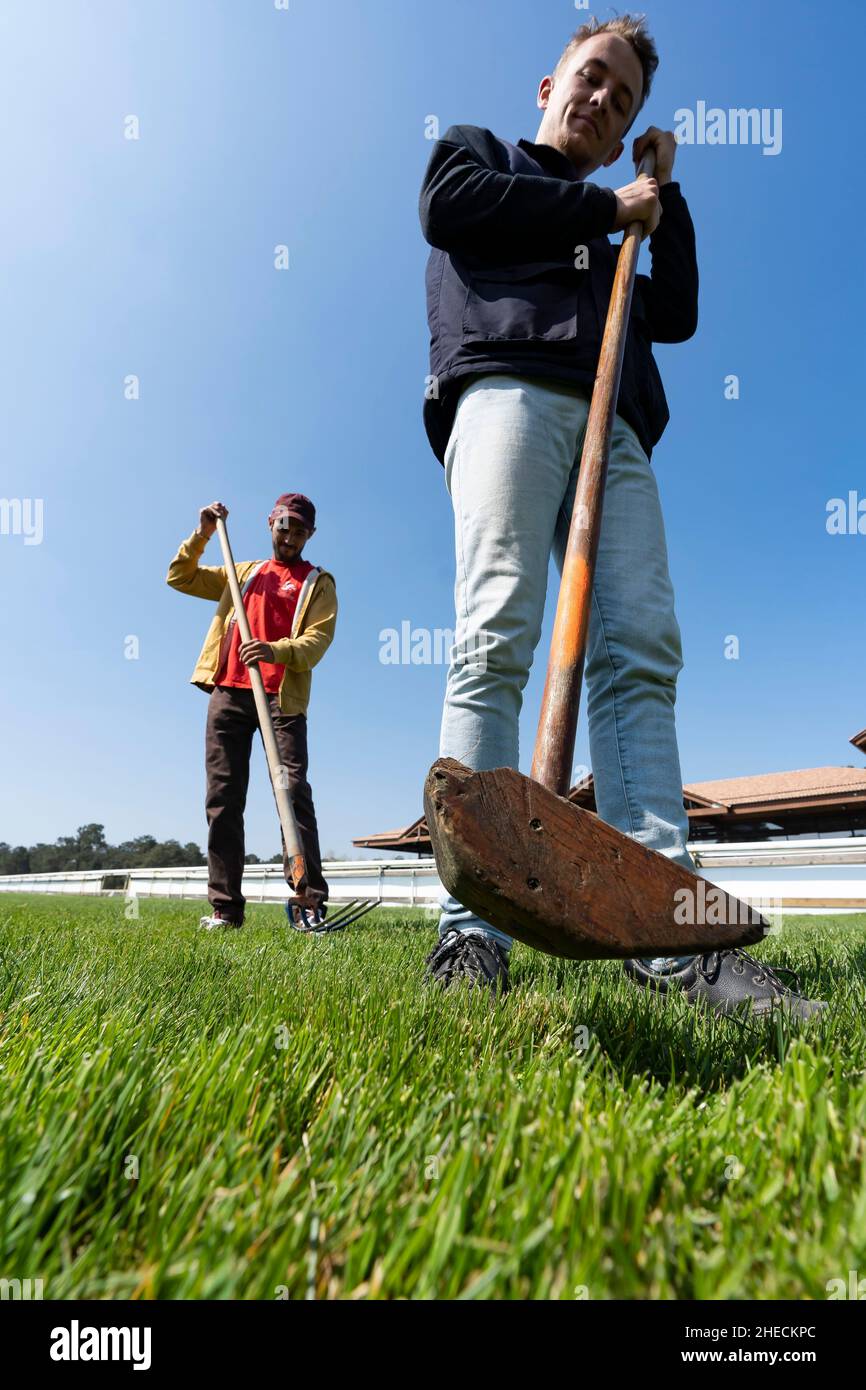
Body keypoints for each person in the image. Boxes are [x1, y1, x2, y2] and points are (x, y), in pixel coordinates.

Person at [418, 14, 825, 1018]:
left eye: (624, 100)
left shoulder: (626, 225)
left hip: (619, 431)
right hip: (506, 387)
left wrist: (663, 193)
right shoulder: (480, 156)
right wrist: (605, 204)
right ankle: (471, 934)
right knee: (496, 628)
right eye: (591, 79)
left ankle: (666, 932)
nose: (602, 101)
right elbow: (450, 209)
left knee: (638, 645)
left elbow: (676, 310)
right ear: (547, 84)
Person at [166, 493, 337, 930]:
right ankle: (225, 908)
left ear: (310, 535)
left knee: (292, 791)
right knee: (223, 799)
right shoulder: (243, 573)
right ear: (270, 524)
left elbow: (316, 642)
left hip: (282, 701)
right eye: (284, 526)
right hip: (229, 693)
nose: (290, 537)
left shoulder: (318, 582)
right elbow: (179, 577)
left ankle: (308, 904)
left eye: (300, 530)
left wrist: (274, 650)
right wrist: (203, 533)